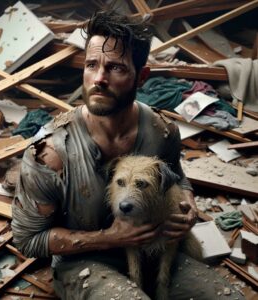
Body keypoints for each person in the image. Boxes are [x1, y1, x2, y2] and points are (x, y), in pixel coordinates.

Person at [12, 10, 244, 300]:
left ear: (141, 76)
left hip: (153, 250)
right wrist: (109, 238)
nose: (99, 79)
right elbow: (27, 240)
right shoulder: (50, 153)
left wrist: (188, 207)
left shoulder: (162, 131)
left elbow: (178, 180)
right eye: (91, 65)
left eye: (116, 68)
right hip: (87, 262)